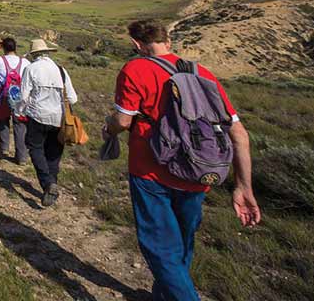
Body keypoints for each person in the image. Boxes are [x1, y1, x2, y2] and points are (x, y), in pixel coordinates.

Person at [102, 19, 261, 301]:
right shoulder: (203, 73)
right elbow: (239, 134)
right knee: (182, 244)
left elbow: (124, 121)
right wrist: (244, 186)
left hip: (150, 172)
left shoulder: (134, 68)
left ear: (136, 44)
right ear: (168, 42)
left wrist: (109, 127)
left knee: (160, 248)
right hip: (198, 172)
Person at [13, 38, 78, 206]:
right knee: (54, 154)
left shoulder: (31, 68)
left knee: (35, 148)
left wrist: (18, 111)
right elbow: (73, 98)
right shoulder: (61, 70)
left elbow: (24, 96)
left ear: (33, 55)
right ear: (48, 53)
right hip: (59, 118)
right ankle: (52, 183)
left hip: (37, 116)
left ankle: (47, 183)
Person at [0, 37, 30, 163]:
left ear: (3, 47)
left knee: (3, 119)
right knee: (20, 124)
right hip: (19, 95)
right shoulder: (24, 62)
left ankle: (4, 148)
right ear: (15, 47)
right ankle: (21, 156)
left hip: (3, 94)